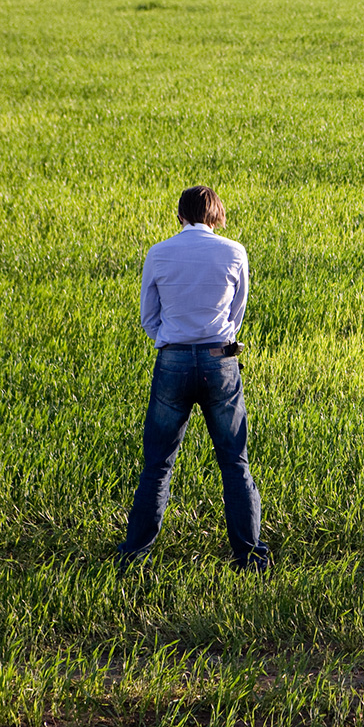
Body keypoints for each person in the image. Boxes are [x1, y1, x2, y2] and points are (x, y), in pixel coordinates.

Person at [118, 186, 269, 572]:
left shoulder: (159, 252)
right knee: (235, 462)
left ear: (179, 215)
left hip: (173, 362)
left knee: (157, 464)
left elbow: (148, 318)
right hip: (221, 362)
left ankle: (135, 557)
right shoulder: (235, 252)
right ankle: (249, 557)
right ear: (216, 215)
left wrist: (173, 343)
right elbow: (238, 313)